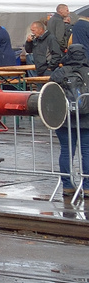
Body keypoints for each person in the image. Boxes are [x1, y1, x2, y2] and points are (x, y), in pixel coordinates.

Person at [51, 43, 89, 197]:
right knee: (87, 151)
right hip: (87, 118)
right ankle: (87, 187)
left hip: (64, 118)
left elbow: (49, 93)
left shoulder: (59, 73)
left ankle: (67, 186)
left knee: (66, 151)